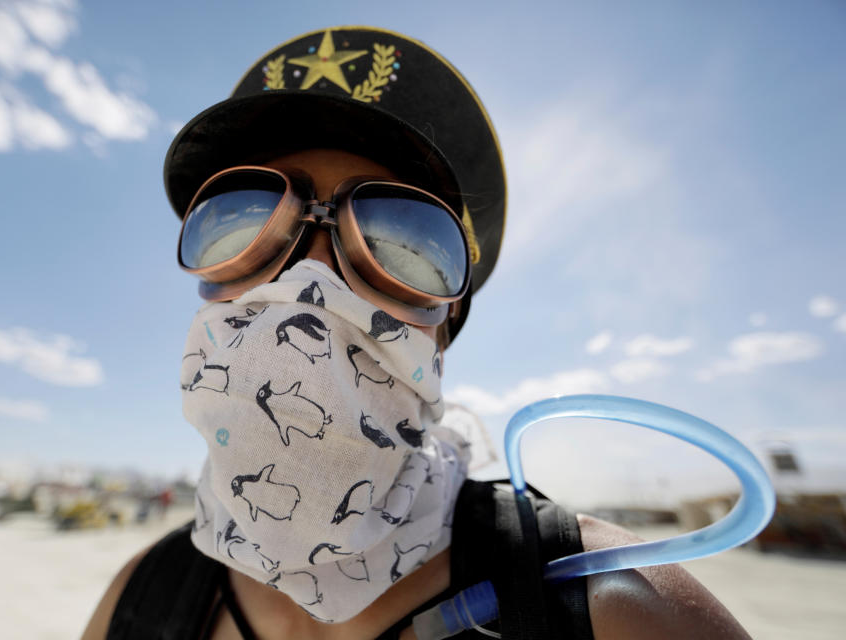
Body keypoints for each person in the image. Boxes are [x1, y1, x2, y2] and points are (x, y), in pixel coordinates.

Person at [83, 27, 751, 639]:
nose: (309, 280)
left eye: (398, 241)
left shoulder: (613, 610)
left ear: (442, 330)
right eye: (243, 220)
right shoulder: (138, 601)